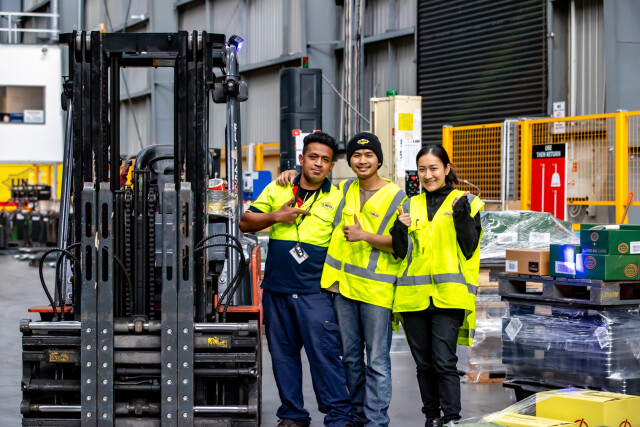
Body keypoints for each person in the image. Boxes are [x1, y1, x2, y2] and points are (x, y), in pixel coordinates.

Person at [277, 132, 406, 427]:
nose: (362, 160)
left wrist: (366, 236)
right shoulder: (344, 189)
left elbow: (401, 245)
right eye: (356, 155)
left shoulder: (396, 196)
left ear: (379, 160)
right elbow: (312, 186)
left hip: (376, 290)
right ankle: (357, 417)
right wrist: (291, 175)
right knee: (350, 359)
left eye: (369, 155)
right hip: (343, 289)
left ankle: (376, 421)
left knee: (376, 361)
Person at [239, 131, 353, 427]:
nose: (318, 163)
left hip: (315, 292)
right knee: (283, 358)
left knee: (325, 357)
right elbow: (245, 223)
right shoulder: (278, 188)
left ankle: (339, 416)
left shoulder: (338, 199)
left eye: (325, 160)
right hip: (277, 290)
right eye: (313, 157)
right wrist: (277, 216)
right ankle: (292, 415)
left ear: (331, 166)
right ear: (301, 158)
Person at [390, 144, 484, 427]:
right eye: (422, 169)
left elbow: (469, 247)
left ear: (446, 169)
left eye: (433, 168)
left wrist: (462, 217)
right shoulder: (409, 205)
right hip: (413, 296)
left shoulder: (466, 201)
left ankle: (452, 418)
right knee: (424, 365)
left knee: (444, 361)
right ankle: (432, 417)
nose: (428, 175)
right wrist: (399, 229)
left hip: (449, 295)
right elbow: (399, 253)